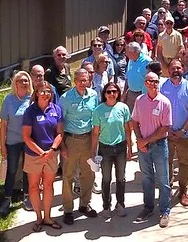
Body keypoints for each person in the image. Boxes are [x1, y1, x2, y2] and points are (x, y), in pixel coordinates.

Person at [132, 72, 173, 228]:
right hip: (143, 147)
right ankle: (148, 207)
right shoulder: (139, 100)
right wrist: (139, 139)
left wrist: (145, 140)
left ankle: (164, 211)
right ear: (145, 83)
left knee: (163, 180)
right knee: (147, 178)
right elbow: (134, 121)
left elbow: (165, 129)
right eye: (150, 81)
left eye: (155, 81)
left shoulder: (165, 103)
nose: (153, 84)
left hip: (159, 146)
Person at [21, 81, 64, 232]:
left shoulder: (56, 109)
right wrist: (41, 153)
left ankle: (48, 216)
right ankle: (38, 217)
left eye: (49, 92)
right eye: (43, 91)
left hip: (51, 154)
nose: (46, 94)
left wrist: (52, 150)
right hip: (34, 155)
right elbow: (26, 137)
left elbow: (59, 133)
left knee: (48, 186)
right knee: (33, 186)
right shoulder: (30, 111)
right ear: (37, 93)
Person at [60, 69, 100, 225]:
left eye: (86, 80)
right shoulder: (66, 98)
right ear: (74, 81)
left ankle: (84, 205)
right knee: (68, 175)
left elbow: (95, 117)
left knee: (88, 174)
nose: (83, 83)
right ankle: (68, 209)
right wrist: (62, 145)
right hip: (71, 140)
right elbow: (60, 123)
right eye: (80, 80)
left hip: (89, 139)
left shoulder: (93, 95)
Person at [159, 60, 188, 207]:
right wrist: (167, 129)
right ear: (168, 71)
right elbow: (160, 110)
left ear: (183, 69)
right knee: (166, 162)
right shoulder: (163, 87)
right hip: (167, 134)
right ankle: (167, 189)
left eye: (178, 67)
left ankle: (183, 191)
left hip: (185, 134)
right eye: (173, 68)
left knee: (184, 163)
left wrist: (182, 130)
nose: (176, 70)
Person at [91, 82, 133, 217]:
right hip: (105, 149)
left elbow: (128, 129)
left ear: (118, 93)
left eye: (114, 91)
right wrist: (93, 152)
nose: (112, 94)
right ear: (104, 94)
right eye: (108, 92)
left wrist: (130, 148)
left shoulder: (123, 108)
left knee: (121, 178)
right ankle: (106, 206)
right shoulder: (98, 110)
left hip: (120, 147)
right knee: (106, 178)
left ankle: (120, 204)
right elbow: (95, 133)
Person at [0, 71, 33, 216]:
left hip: (28, 141)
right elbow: (3, 124)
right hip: (12, 141)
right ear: (15, 83)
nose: (24, 83)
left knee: (27, 170)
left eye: (26, 80)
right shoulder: (9, 100)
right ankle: (7, 198)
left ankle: (26, 196)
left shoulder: (31, 99)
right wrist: (2, 144)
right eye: (20, 80)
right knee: (11, 170)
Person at [123, 41, 151, 114]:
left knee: (141, 116)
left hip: (142, 94)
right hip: (130, 93)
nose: (126, 54)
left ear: (135, 52)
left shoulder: (147, 61)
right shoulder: (131, 60)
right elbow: (127, 76)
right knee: (130, 117)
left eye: (128, 52)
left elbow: (151, 79)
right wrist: (124, 91)